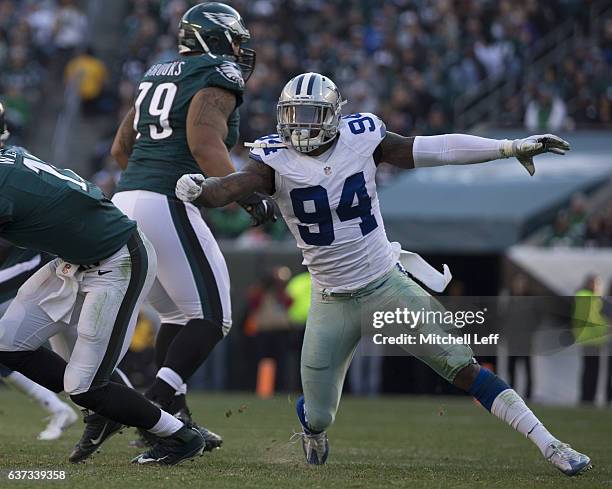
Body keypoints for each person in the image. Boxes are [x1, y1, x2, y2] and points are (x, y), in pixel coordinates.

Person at [175, 73, 591, 476]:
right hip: (330, 300)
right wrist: (202, 190)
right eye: (293, 115)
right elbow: (231, 186)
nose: (300, 126)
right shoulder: (271, 159)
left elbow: (435, 149)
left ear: (334, 116)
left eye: (311, 115)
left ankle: (551, 444)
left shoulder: (363, 138)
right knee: (319, 415)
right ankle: (312, 431)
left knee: (463, 368)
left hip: (386, 286)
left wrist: (508, 146)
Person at [109, 1, 274, 451]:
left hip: (126, 198)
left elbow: (121, 148)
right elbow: (204, 143)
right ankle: (153, 408)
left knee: (179, 314)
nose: (241, 48)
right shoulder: (216, 73)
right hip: (167, 198)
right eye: (235, 37)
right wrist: (245, 194)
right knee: (214, 316)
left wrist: (149, 181)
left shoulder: (156, 72)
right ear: (214, 37)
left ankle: (174, 419)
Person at [0, 103, 204, 465]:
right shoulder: (9, 161)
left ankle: (179, 436)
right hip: (74, 260)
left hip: (118, 259)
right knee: (7, 343)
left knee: (86, 386)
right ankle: (106, 405)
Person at [0, 242, 78, 441]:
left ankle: (147, 416)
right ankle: (59, 408)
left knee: (85, 364)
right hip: (41, 274)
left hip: (56, 274)